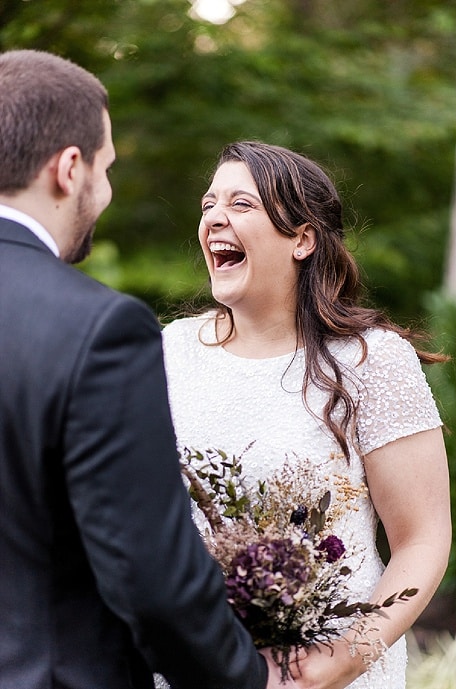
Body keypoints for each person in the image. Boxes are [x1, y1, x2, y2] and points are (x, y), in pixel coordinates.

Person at [0, 49, 290, 688]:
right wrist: (245, 678)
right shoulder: (97, 329)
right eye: (105, 168)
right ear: (68, 169)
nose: (105, 191)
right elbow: (151, 579)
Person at [160, 141, 452, 689]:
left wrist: (344, 659)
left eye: (241, 204)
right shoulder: (169, 352)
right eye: (208, 204)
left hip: (322, 674)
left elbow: (423, 537)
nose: (215, 218)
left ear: (302, 239)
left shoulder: (371, 360)